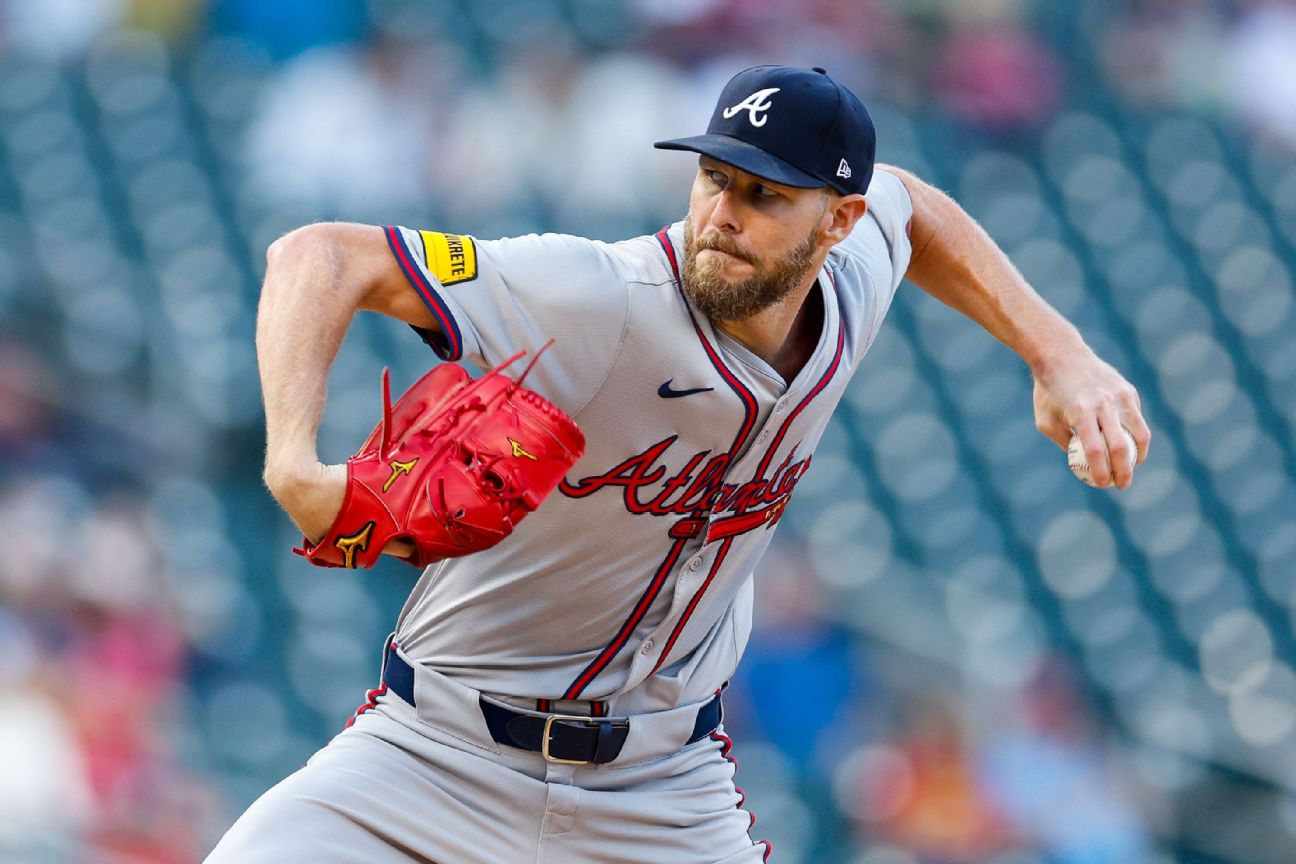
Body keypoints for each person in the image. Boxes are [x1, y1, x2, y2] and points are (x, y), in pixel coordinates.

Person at [211, 64, 1150, 863]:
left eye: (764, 195)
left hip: (661, 793)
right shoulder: (598, 296)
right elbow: (319, 257)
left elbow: (915, 207)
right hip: (432, 757)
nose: (722, 215)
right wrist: (294, 463)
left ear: (837, 223)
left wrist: (1058, 353)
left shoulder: (853, 284)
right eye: (714, 178)